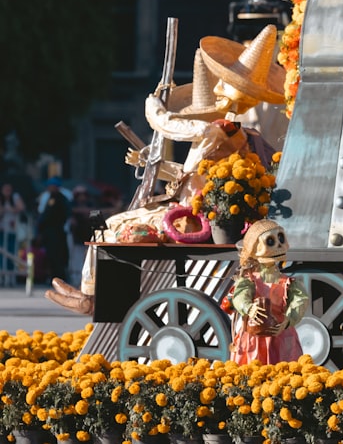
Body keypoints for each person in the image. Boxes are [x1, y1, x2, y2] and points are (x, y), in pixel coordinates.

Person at [45, 25, 288, 315]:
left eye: (222, 82)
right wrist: (152, 166)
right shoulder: (244, 134)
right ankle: (95, 294)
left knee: (112, 226)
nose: (217, 86)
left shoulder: (216, 131)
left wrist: (154, 106)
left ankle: (92, 297)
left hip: (194, 219)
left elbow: (171, 126)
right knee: (119, 223)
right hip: (202, 210)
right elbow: (191, 176)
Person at [228, 219, 307, 364]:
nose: (278, 245)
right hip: (254, 338)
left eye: (281, 238)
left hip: (282, 336)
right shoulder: (249, 280)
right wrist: (249, 308)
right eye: (270, 241)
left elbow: (300, 300)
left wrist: (288, 320)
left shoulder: (287, 282)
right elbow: (240, 296)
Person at [37, 177, 71, 283]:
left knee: (56, 255)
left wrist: (41, 225)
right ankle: (54, 277)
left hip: (55, 231)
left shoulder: (58, 198)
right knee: (52, 255)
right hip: (51, 231)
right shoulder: (52, 197)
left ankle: (59, 278)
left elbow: (49, 215)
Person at [0, 182, 25, 286]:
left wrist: (9, 209)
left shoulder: (15, 197)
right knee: (2, 255)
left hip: (12, 230)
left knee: (12, 253)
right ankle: (2, 277)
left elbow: (21, 207)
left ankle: (11, 278)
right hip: (2, 230)